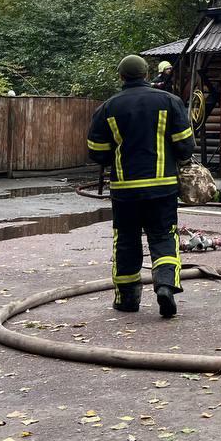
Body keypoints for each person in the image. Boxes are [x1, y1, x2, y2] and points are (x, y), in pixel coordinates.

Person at [87, 56, 195, 317]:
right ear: (147, 74)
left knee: (126, 240)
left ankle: (127, 299)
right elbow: (185, 146)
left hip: (125, 189)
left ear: (121, 76)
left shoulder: (107, 108)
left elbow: (97, 152)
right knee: (164, 236)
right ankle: (166, 286)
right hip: (163, 187)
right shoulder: (169, 101)